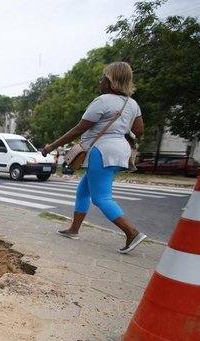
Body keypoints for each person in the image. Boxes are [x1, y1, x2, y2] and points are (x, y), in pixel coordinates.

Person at [42, 61, 146, 254]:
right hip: (120, 150)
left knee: (100, 197)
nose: (100, 81)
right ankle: (74, 229)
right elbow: (138, 130)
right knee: (83, 191)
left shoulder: (103, 100)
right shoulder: (132, 104)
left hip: (102, 152)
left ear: (110, 81)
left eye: (103, 77)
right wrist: (119, 126)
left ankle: (132, 233)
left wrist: (51, 147)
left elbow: (79, 129)